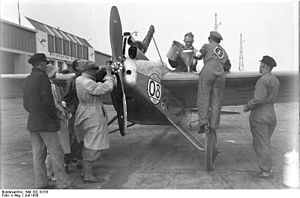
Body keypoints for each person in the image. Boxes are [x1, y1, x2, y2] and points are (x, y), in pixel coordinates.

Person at [23, 53, 72, 189]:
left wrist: (36, 114)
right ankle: (64, 184)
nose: (47, 65)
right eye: (45, 62)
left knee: (38, 155)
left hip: (33, 122)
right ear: (40, 63)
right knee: (57, 153)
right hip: (46, 123)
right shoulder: (43, 78)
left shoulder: (28, 79)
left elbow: (26, 104)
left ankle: (42, 184)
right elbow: (48, 102)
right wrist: (53, 119)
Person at [74, 60, 114, 182]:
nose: (96, 72)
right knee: (94, 143)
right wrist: (109, 73)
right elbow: (107, 88)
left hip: (84, 110)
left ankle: (85, 171)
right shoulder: (88, 83)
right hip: (93, 113)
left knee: (88, 141)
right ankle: (88, 175)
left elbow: (95, 81)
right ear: (89, 70)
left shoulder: (80, 79)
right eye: (95, 69)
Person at [243, 55, 280, 178]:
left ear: (264, 65)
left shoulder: (262, 80)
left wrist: (248, 106)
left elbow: (259, 99)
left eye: (260, 64)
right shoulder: (275, 80)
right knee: (265, 143)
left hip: (261, 115)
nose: (259, 66)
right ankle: (268, 168)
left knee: (261, 144)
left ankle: (266, 171)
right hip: (271, 113)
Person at [196, 31, 231, 135]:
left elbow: (197, 56)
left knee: (204, 96)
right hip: (220, 73)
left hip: (208, 69)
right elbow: (228, 66)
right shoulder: (224, 51)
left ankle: (203, 123)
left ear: (210, 39)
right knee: (216, 100)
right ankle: (213, 126)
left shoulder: (206, 46)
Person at [45, 64, 72, 179]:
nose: (57, 73)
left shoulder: (50, 85)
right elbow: (56, 103)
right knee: (57, 148)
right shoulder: (52, 86)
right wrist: (64, 112)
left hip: (55, 119)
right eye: (55, 72)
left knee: (53, 148)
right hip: (58, 120)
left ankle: (50, 172)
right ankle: (52, 173)